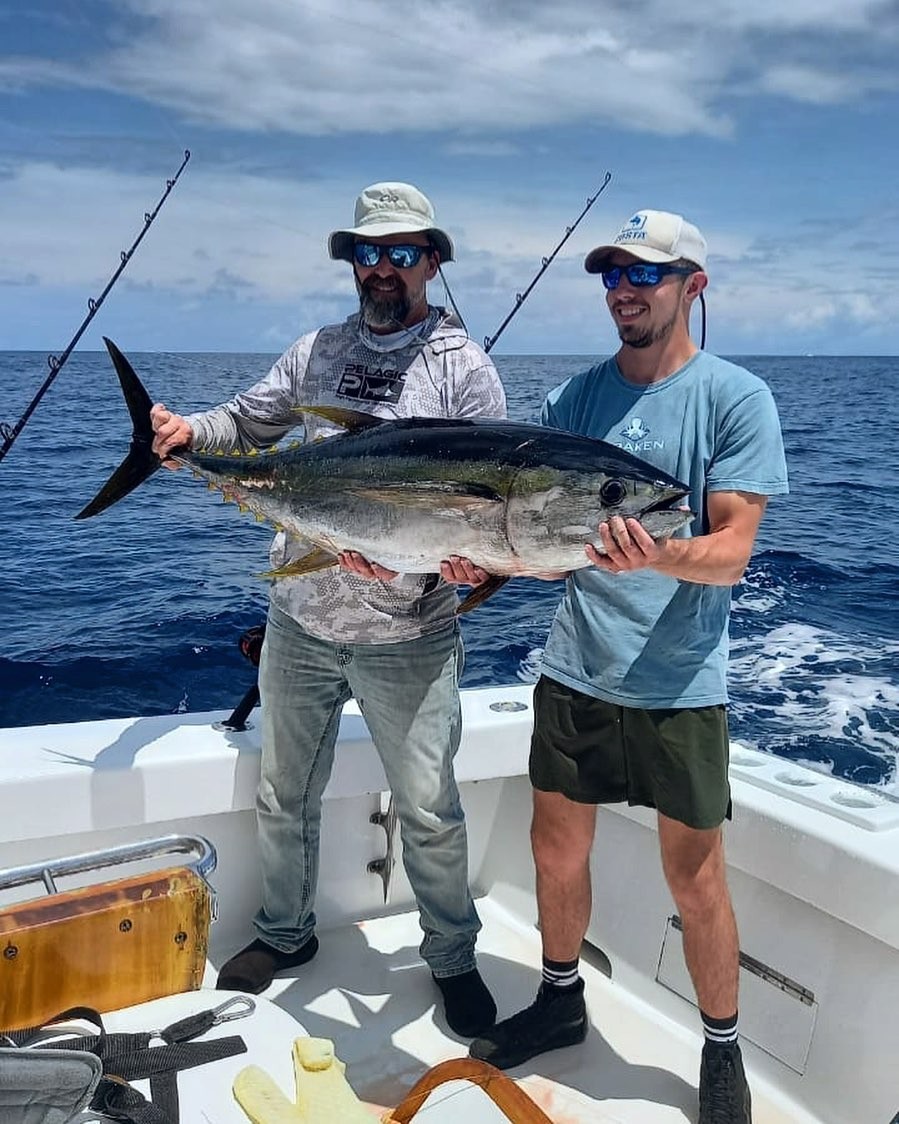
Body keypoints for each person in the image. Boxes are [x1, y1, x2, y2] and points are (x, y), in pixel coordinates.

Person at [150, 181, 506, 1038]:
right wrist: (185, 434)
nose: (382, 269)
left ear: (432, 261)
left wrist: (469, 569)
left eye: (402, 253)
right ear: (354, 261)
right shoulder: (316, 351)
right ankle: (283, 934)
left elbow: (492, 517)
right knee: (283, 794)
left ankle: (451, 957)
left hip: (408, 636)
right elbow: (249, 423)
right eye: (367, 252)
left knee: (428, 807)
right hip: (302, 619)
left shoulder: (464, 370)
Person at [468, 209, 788, 1124]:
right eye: (612, 273)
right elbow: (521, 532)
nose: (624, 289)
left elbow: (731, 550)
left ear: (694, 285)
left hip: (679, 684)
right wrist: (471, 557)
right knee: (553, 849)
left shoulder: (734, 398)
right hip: (575, 669)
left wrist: (650, 557)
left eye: (645, 274)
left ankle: (720, 1048)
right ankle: (560, 1000)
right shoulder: (575, 399)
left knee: (696, 879)